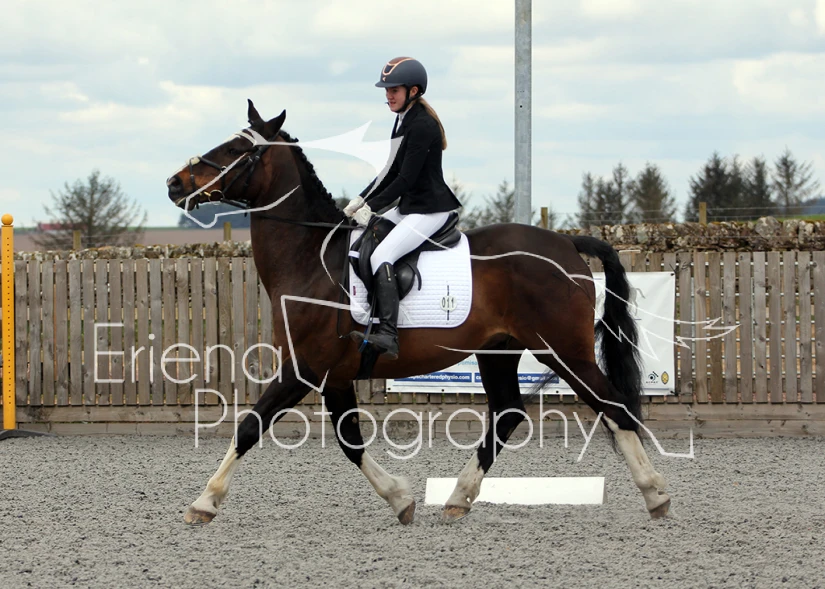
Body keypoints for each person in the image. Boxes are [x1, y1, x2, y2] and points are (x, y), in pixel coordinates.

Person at [343, 57, 462, 360]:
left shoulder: (422, 125)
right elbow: (389, 171)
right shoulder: (402, 120)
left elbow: (405, 179)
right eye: (387, 90)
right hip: (411, 207)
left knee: (382, 254)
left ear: (413, 90)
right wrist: (360, 200)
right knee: (361, 237)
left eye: (394, 90)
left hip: (429, 210)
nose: (388, 95)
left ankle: (388, 333)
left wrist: (372, 206)